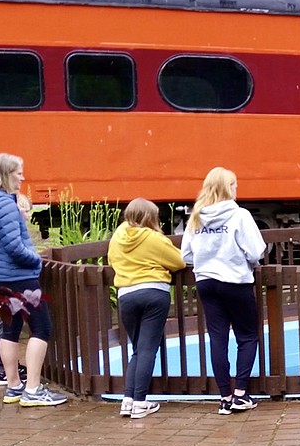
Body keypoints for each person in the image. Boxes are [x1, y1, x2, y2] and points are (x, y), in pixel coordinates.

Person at [0, 154, 68, 406]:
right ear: (5, 174)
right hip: (18, 277)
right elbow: (14, 246)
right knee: (42, 328)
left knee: (11, 328)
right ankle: (33, 390)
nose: (23, 177)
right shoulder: (4, 204)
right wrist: (35, 260)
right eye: (18, 173)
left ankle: (13, 386)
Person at [180, 167, 268, 415]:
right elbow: (255, 251)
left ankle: (224, 397)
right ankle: (241, 394)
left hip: (206, 282)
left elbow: (186, 254)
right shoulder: (239, 215)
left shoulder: (196, 217)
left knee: (218, 339)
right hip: (235, 281)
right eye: (234, 185)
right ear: (226, 188)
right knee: (247, 336)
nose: (236, 189)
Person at [109, 198, 187, 419]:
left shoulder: (118, 235)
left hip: (126, 295)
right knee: (147, 349)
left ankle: (128, 400)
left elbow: (111, 259)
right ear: (150, 217)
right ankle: (141, 402)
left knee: (137, 350)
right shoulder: (154, 238)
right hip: (154, 293)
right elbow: (179, 262)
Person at [0, 192, 33, 389]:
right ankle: (4, 370)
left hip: (1, 276)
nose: (28, 216)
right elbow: (15, 251)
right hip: (11, 278)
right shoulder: (11, 228)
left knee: (7, 323)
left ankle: (6, 369)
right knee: (9, 325)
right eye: (25, 211)